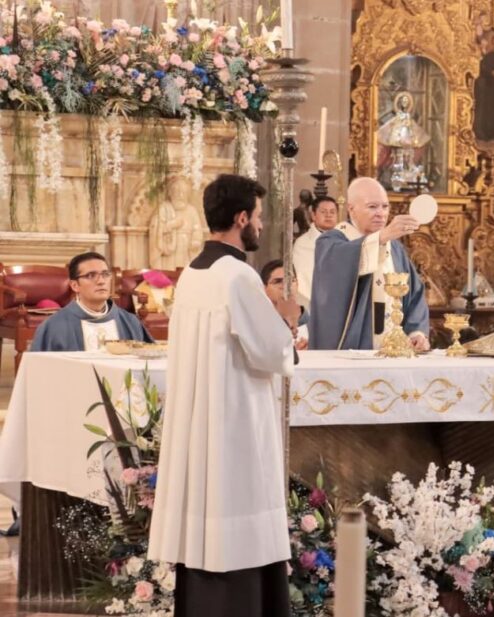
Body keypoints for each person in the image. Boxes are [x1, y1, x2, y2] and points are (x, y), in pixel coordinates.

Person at [149, 174, 299, 617]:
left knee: (207, 522)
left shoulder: (194, 273)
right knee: (237, 519)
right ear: (240, 218)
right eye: (258, 215)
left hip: (204, 422)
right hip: (233, 422)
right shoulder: (238, 276)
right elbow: (271, 352)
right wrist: (287, 319)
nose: (261, 223)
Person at [309, 177, 430, 351]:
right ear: (351, 209)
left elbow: (415, 294)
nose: (381, 213)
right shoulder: (330, 241)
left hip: (394, 351)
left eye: (385, 206)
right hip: (352, 351)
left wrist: (416, 333)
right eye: (372, 206)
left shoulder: (394, 246)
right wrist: (381, 237)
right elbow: (336, 272)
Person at [30, 252, 153, 352]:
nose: (101, 281)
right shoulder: (53, 326)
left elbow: (148, 369)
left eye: (105, 274)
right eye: (90, 275)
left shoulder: (130, 322)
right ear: (75, 285)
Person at [293, 196, 339, 306]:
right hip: (311, 303)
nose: (328, 215)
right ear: (313, 215)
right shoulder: (302, 243)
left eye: (332, 212)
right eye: (323, 212)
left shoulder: (347, 240)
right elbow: (303, 276)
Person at [260, 259, 309, 350]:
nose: (286, 286)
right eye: (277, 281)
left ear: (297, 284)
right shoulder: (257, 329)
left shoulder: (316, 327)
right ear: (264, 288)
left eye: (291, 280)